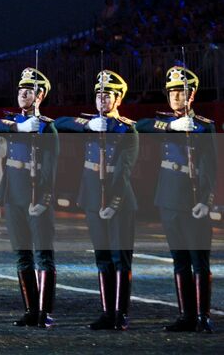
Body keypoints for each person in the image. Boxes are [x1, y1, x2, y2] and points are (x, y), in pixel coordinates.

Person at [54, 70, 138, 330]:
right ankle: (106, 312)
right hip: (92, 199)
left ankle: (120, 314)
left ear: (118, 99)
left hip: (119, 202)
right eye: (99, 95)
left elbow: (124, 172)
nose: (102, 99)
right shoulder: (90, 124)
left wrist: (112, 204)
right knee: (102, 257)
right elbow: (58, 123)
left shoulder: (126, 129)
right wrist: (89, 125)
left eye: (108, 95)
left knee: (119, 258)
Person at [135, 65, 215, 333]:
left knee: (198, 261)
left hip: (193, 200)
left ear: (192, 95)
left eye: (181, 93)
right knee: (179, 260)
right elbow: (142, 126)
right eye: (172, 94)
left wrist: (207, 199)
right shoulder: (163, 123)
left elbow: (211, 167)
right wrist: (172, 125)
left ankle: (203, 316)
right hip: (168, 197)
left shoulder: (204, 126)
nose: (176, 98)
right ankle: (185, 315)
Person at [0, 67, 59, 328]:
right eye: (21, 90)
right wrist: (19, 126)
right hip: (14, 198)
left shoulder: (47, 128)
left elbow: (51, 169)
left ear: (40, 96)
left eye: (29, 91)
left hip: (37, 198)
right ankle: (30, 309)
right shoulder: (14, 124)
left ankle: (44, 311)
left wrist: (45, 199)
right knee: (22, 255)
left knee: (44, 256)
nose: (23, 94)